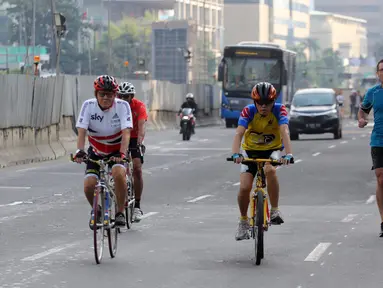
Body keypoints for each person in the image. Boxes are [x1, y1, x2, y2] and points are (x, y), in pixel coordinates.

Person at [230, 82, 294, 241]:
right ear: (254, 102)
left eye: (268, 103)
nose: (264, 107)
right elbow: (239, 133)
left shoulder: (280, 110)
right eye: (260, 103)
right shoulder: (248, 111)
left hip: (271, 150)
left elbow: (284, 131)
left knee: (270, 170)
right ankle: (243, 221)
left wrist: (289, 154)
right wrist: (235, 153)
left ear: (274, 101)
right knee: (245, 187)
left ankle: (275, 210)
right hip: (249, 150)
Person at [73, 75, 133, 229]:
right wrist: (80, 151)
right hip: (97, 150)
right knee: (88, 185)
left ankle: (120, 212)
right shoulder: (88, 106)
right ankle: (97, 210)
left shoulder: (123, 106)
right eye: (102, 94)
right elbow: (81, 131)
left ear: (115, 95)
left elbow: (126, 132)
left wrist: (122, 154)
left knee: (119, 174)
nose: (106, 97)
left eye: (110, 94)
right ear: (96, 94)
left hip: (116, 151)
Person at [358, 58, 383, 237]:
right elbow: (363, 110)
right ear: (377, 73)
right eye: (381, 70)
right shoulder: (373, 93)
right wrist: (361, 119)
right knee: (381, 179)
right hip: (379, 140)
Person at [117, 81, 148, 222]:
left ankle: (137, 205)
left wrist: (140, 142)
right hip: (120, 136)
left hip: (135, 137)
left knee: (137, 168)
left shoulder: (139, 106)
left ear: (132, 97)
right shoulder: (114, 106)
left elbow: (142, 127)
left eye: (126, 97)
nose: (123, 100)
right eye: (121, 96)